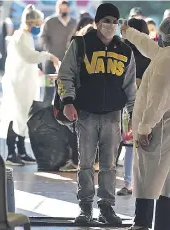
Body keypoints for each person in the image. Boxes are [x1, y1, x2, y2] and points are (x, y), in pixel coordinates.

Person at [57, 3, 137, 224]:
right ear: (97, 22)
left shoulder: (125, 50)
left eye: (114, 21)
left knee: (109, 165)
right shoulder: (81, 44)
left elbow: (130, 86)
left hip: (113, 114)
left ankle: (107, 207)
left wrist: (133, 114)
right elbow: (65, 75)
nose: (110, 25)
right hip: (86, 113)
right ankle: (84, 208)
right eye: (106, 20)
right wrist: (68, 101)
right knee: (85, 163)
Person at [121, 14, 170, 230]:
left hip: (161, 124)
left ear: (165, 34)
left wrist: (144, 128)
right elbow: (149, 48)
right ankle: (164, 225)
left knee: (149, 176)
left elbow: (157, 100)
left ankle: (142, 223)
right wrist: (129, 32)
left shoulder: (166, 60)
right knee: (167, 177)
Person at [0, 4, 60, 166]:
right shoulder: (20, 37)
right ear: (30, 23)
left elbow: (27, 62)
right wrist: (49, 56)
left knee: (25, 116)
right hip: (18, 85)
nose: (38, 28)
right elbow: (29, 57)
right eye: (37, 25)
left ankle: (21, 151)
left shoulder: (26, 36)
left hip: (26, 83)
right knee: (16, 115)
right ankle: (11, 153)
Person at [59, 15, 99, 172]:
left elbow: (66, 74)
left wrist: (67, 100)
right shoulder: (93, 48)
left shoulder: (77, 47)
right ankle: (91, 162)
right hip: (90, 101)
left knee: (77, 132)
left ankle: (79, 162)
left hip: (77, 99)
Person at [117, 18, 151, 196]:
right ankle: (141, 182)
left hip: (125, 104)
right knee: (144, 144)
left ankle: (128, 183)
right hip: (145, 104)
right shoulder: (150, 54)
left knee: (129, 145)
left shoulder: (121, 51)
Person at [40, 0, 77, 103]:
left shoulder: (74, 23)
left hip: (68, 64)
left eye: (65, 8)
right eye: (61, 8)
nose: (63, 10)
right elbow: (42, 38)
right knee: (48, 92)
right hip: (50, 62)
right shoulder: (50, 22)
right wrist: (49, 51)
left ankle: (61, 116)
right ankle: (45, 115)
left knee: (65, 92)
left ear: (69, 9)